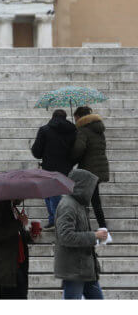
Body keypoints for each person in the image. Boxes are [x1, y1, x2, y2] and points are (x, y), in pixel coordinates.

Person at [54, 168, 109, 299]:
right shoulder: (68, 205)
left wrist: (94, 237)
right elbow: (65, 236)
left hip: (85, 268)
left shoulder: (79, 204)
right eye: (91, 186)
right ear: (82, 185)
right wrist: (94, 236)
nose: (92, 191)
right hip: (75, 270)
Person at [0, 197, 34, 299]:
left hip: (17, 265)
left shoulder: (10, 205)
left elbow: (14, 234)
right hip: (4, 268)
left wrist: (29, 235)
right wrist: (19, 223)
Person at [31, 109, 77, 229]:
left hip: (48, 167)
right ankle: (60, 218)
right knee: (59, 192)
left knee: (49, 192)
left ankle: (54, 218)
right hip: (65, 168)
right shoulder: (73, 131)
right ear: (65, 118)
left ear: (52, 117)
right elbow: (76, 151)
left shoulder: (44, 130)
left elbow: (36, 151)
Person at [71, 106, 110, 229]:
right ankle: (103, 228)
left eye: (75, 117)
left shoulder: (83, 131)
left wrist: (71, 158)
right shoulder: (99, 130)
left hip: (89, 170)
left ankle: (99, 229)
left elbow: (79, 149)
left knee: (85, 200)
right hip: (99, 168)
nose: (75, 120)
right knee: (94, 200)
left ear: (80, 117)